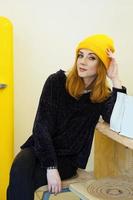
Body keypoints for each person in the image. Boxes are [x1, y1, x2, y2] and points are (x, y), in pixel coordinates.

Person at [7, 34, 127, 200]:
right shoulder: (56, 82)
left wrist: (115, 78)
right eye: (80, 55)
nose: (82, 62)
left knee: (25, 181)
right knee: (19, 168)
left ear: (102, 65)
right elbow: (41, 126)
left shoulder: (101, 96)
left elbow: (118, 119)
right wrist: (50, 166)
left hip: (67, 158)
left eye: (91, 58)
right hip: (39, 148)